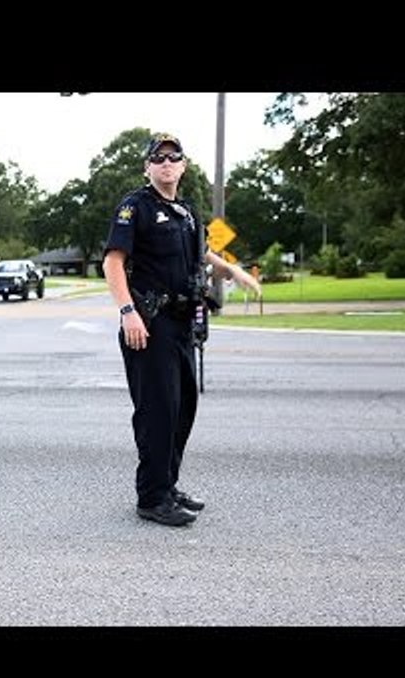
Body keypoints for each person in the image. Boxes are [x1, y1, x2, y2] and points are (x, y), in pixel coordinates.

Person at [102, 133, 261, 527]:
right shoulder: (135, 207)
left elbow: (201, 251)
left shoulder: (188, 212)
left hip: (182, 324)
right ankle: (152, 498)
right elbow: (113, 262)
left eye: (174, 158)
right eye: (158, 158)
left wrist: (234, 271)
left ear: (184, 166)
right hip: (148, 325)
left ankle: (167, 484)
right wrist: (128, 311)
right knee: (158, 411)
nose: (166, 163)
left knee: (182, 408)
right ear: (148, 167)